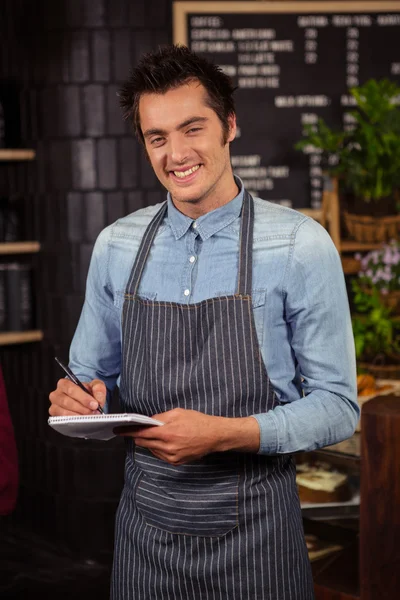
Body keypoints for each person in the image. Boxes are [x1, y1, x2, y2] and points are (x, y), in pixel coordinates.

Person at [49, 44, 359, 599]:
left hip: (259, 538)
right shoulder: (117, 245)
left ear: (230, 126)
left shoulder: (298, 244)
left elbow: (338, 406)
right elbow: (89, 382)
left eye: (193, 128)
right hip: (146, 538)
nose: (176, 153)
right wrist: (80, 403)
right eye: (157, 137)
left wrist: (226, 434)